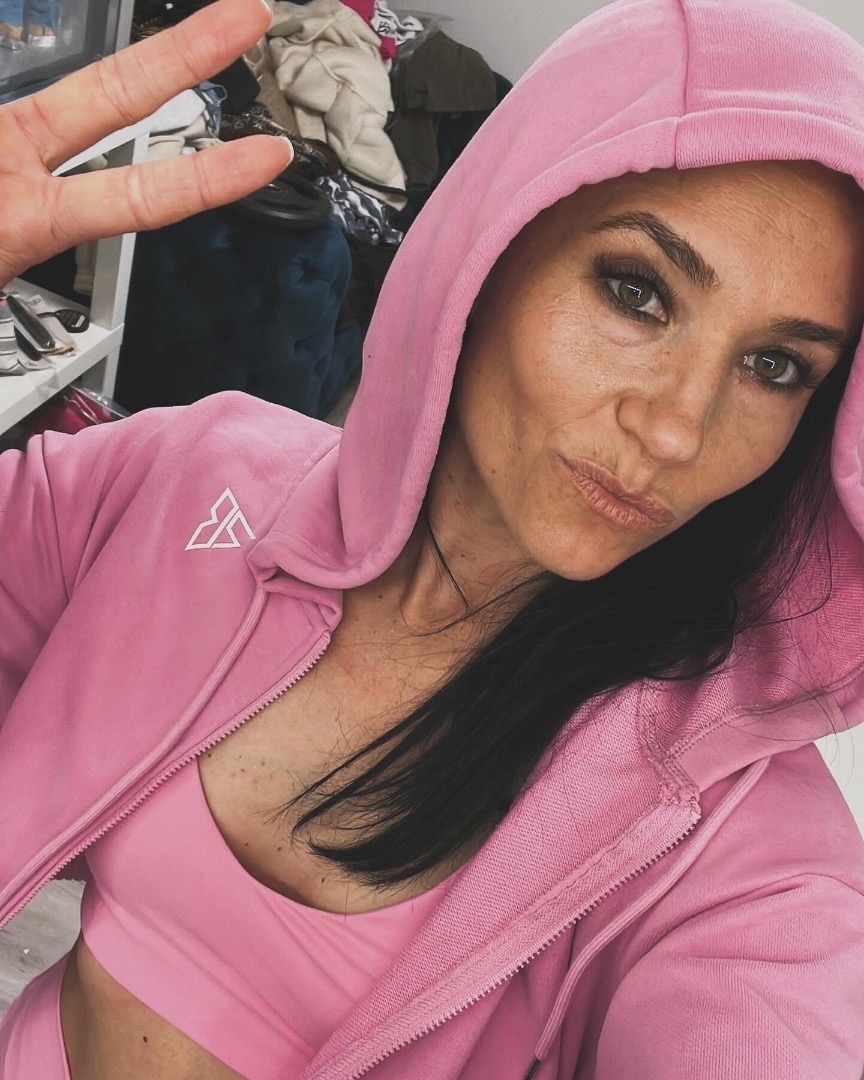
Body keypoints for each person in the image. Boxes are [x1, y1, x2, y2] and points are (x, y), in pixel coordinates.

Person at [0, 0, 863, 1076]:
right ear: (489, 245)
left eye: (776, 367)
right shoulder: (185, 483)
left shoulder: (730, 841)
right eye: (637, 292)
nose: (678, 429)